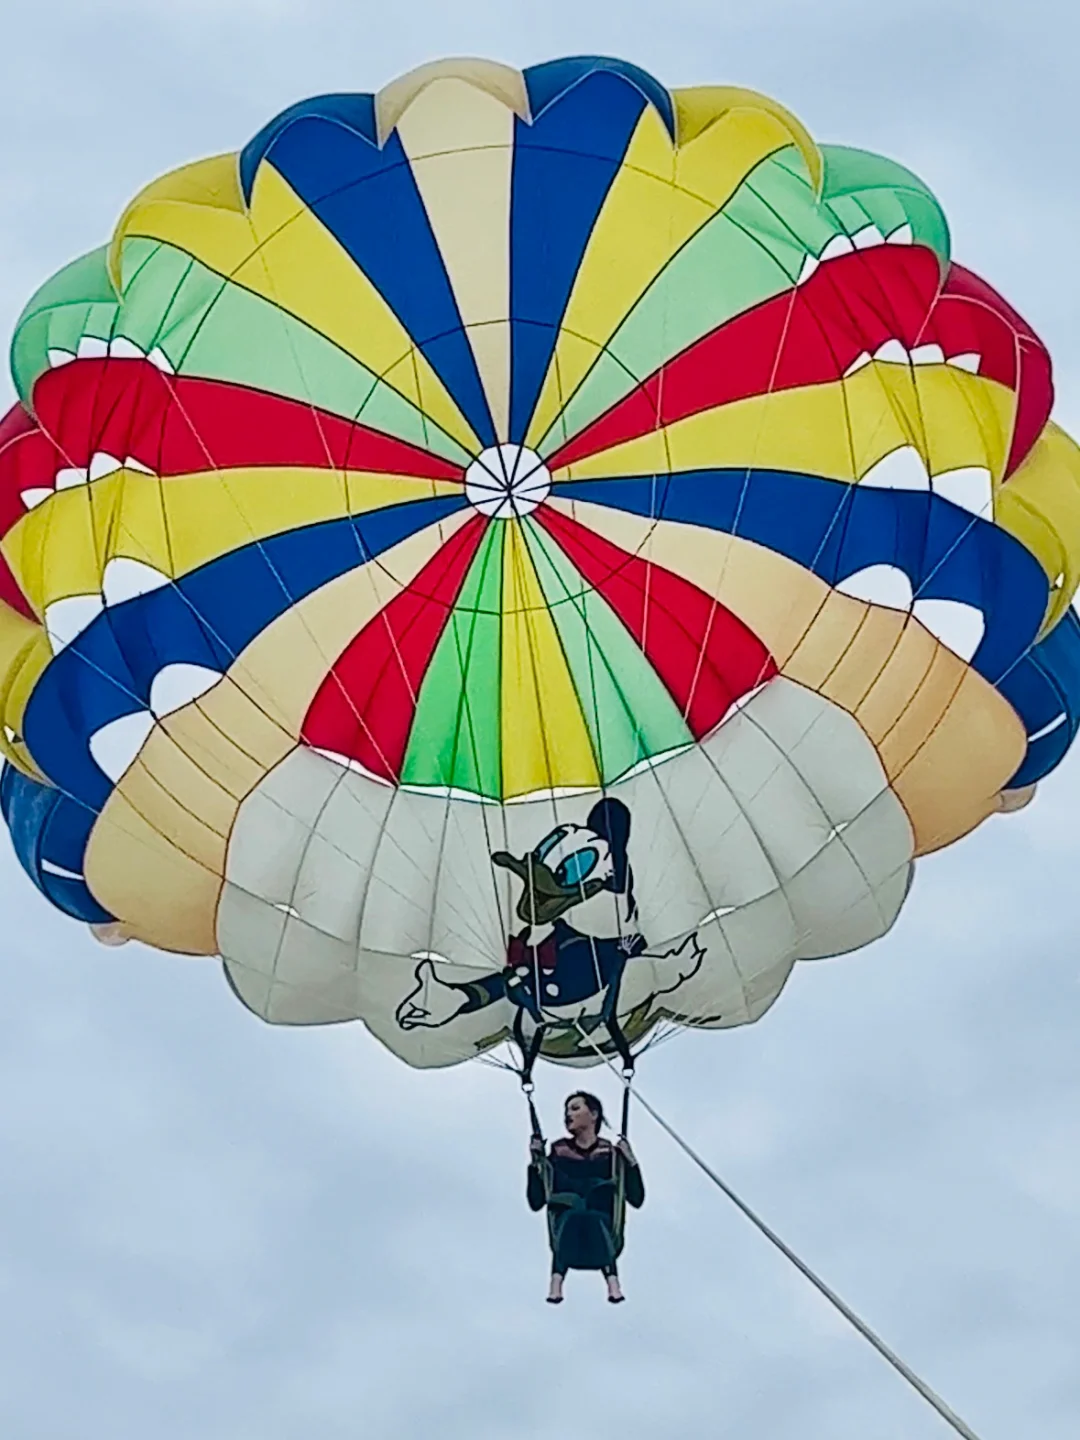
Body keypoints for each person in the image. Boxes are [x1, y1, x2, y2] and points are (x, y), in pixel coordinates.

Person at [527, 1091, 644, 1304]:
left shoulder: (610, 1153)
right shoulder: (559, 1150)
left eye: (575, 1108)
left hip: (601, 1226)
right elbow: (536, 1201)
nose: (567, 1115)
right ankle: (557, 1280)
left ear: (594, 1114)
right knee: (576, 1212)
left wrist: (631, 1162)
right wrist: (535, 1164)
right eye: (566, 1110)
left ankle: (612, 1279)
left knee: (591, 1213)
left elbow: (636, 1198)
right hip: (568, 1227)